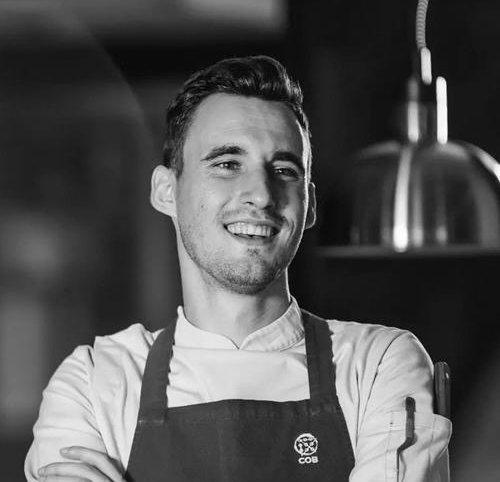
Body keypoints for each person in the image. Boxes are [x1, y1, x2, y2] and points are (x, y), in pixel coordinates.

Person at [25, 55, 451, 482]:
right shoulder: (94, 382)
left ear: (309, 205)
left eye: (283, 170)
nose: (261, 194)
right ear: (166, 191)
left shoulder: (377, 364)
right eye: (227, 164)